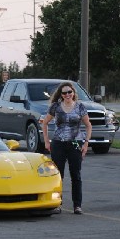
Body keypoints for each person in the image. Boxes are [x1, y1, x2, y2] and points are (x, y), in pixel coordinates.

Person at [42, 82, 92, 215]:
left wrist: (86, 143)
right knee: (59, 175)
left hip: (75, 144)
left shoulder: (80, 107)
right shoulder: (55, 107)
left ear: (74, 93)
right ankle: (57, 203)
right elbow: (45, 123)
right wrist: (47, 141)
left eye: (69, 92)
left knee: (76, 174)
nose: (67, 95)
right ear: (61, 95)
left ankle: (77, 205)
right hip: (58, 143)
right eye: (64, 93)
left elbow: (88, 125)